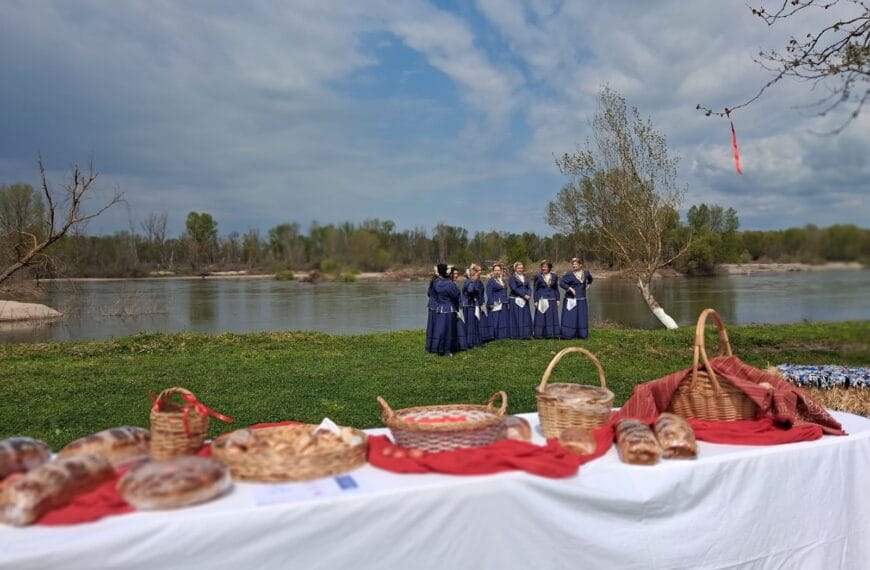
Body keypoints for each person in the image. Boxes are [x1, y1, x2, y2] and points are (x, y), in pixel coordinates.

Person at [425, 263, 460, 355]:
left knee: (439, 329)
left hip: (439, 308)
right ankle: (448, 350)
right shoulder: (450, 284)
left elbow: (432, 295)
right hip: (449, 309)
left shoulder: (436, 283)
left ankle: (438, 348)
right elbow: (456, 295)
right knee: (448, 330)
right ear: (447, 273)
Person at [559, 257, 593, 339]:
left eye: (575, 264)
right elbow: (561, 283)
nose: (574, 265)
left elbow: (590, 279)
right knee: (571, 317)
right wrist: (570, 288)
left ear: (580, 265)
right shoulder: (569, 274)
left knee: (581, 317)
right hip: (571, 299)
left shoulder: (586, 273)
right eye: (573, 264)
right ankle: (568, 335)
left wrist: (589, 285)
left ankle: (581, 334)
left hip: (582, 299)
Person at [459, 264, 485, 349]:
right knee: (470, 324)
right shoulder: (469, 281)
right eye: (477, 275)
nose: (478, 277)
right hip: (468, 305)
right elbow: (470, 290)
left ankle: (474, 341)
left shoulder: (470, 281)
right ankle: (470, 342)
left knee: (473, 323)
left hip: (470, 304)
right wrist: (474, 295)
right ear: (473, 275)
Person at [533, 259, 560, 338]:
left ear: (549, 267)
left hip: (552, 298)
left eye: (545, 267)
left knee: (551, 317)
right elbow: (535, 289)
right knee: (541, 317)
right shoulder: (538, 276)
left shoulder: (554, 276)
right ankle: (539, 334)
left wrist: (558, 299)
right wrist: (535, 301)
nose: (543, 268)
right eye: (542, 267)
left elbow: (556, 288)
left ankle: (551, 334)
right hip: (542, 299)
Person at [484, 262, 510, 340]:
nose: (497, 272)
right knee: (495, 320)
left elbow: (505, 292)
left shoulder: (503, 280)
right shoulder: (491, 281)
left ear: (501, 271)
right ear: (493, 271)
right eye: (495, 270)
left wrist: (507, 302)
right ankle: (494, 336)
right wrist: (492, 303)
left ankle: (503, 335)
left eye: (498, 270)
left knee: (503, 320)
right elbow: (489, 293)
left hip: (503, 302)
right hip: (495, 303)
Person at [508, 261, 533, 339]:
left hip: (525, 299)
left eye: (521, 268)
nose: (520, 269)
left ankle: (526, 334)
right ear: (515, 268)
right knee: (517, 317)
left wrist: (529, 295)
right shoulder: (512, 277)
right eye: (518, 268)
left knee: (524, 317)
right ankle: (516, 335)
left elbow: (529, 287)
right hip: (515, 299)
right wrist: (524, 295)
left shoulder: (525, 277)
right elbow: (514, 288)